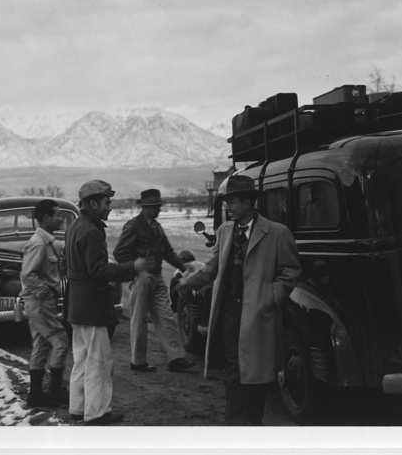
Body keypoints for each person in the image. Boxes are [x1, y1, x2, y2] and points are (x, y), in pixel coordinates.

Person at [185, 175, 301, 425]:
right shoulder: (224, 231)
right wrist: (189, 282)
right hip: (230, 313)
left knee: (257, 374)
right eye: (227, 202)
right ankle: (236, 426)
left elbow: (290, 271)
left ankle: (252, 424)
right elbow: (212, 267)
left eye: (234, 202)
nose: (229, 207)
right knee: (233, 370)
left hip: (259, 315)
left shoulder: (276, 233)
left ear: (249, 202)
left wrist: (271, 296)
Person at [65, 180, 148, 425]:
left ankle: (78, 408)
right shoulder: (92, 230)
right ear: (92, 203)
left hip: (77, 306)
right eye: (106, 202)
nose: (110, 206)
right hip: (92, 306)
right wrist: (132, 267)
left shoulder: (75, 227)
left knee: (81, 359)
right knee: (99, 362)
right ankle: (97, 413)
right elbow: (98, 270)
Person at [113, 189, 194, 373]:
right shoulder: (133, 226)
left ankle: (176, 358)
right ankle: (138, 361)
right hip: (142, 277)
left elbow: (167, 251)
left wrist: (183, 267)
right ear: (145, 207)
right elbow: (119, 252)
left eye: (158, 206)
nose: (157, 209)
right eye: (154, 207)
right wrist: (135, 267)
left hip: (155, 276)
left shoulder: (156, 227)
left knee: (166, 316)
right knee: (139, 319)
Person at [19, 199, 69, 408]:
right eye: (57, 214)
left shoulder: (47, 241)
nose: (60, 218)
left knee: (40, 344)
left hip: (38, 302)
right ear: (46, 218)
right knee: (60, 340)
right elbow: (27, 274)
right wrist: (45, 291)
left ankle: (36, 394)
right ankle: (55, 391)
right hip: (40, 302)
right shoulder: (39, 243)